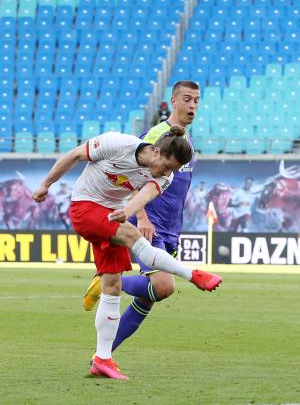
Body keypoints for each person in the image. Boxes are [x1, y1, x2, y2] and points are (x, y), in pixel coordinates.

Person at [32, 126, 222, 380]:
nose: (168, 173)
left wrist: (128, 210)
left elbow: (143, 196)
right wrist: (46, 184)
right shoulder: (116, 143)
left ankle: (102, 359)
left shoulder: (166, 177)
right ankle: (193, 274)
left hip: (111, 211)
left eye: (173, 170)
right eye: (167, 166)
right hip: (85, 207)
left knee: (112, 285)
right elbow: (75, 155)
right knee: (134, 237)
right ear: (156, 151)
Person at [82, 81, 206, 353]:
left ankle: (102, 357)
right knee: (163, 286)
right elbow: (133, 175)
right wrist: (142, 216)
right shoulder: (155, 135)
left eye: (196, 100)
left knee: (148, 299)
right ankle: (107, 281)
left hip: (171, 229)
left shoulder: (187, 142)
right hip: (151, 225)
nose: (192, 105)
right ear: (173, 101)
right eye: (187, 99)